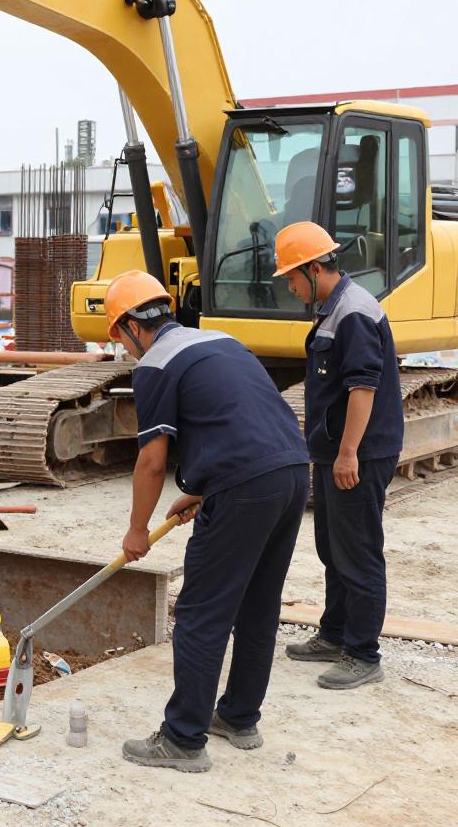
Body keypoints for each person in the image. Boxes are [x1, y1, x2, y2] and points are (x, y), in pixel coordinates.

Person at [108, 271, 310, 773]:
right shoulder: (222, 340)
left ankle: (182, 738)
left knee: (201, 612)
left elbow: (152, 461)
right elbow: (239, 418)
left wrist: (137, 530)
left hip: (246, 485)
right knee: (258, 604)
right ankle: (239, 717)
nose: (124, 348)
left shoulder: (154, 364)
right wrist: (202, 489)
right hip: (290, 473)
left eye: (118, 336)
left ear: (132, 324)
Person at [273, 221, 403, 689]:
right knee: (332, 546)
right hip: (335, 452)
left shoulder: (353, 312)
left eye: (291, 276)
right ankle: (334, 634)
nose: (289, 286)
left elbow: (362, 389)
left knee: (359, 551)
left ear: (312, 268)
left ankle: (363, 653)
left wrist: (348, 453)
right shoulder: (333, 309)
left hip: (360, 454)